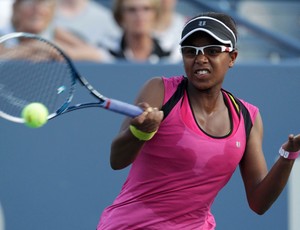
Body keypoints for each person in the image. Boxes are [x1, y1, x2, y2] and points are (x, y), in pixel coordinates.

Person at [97, 12, 300, 229]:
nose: (200, 59)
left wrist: (289, 154)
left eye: (212, 51)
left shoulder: (248, 117)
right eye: (190, 51)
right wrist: (141, 132)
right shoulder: (159, 91)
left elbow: (259, 202)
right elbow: (117, 161)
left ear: (232, 57)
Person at [107, 0, 171, 64]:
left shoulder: (171, 54)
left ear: (156, 15)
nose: (139, 15)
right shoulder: (106, 54)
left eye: (146, 9)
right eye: (132, 10)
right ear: (120, 16)